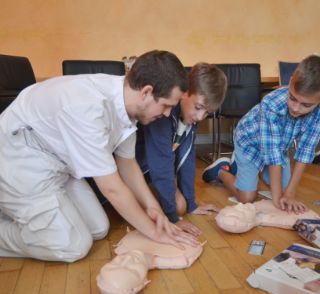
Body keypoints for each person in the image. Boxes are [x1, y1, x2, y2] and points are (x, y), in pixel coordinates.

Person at [0, 50, 200, 262]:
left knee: (98, 228)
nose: (168, 114)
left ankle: (23, 213)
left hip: (57, 166)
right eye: (166, 105)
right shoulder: (88, 108)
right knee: (72, 247)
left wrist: (153, 208)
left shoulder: (125, 101)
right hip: (18, 162)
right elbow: (112, 188)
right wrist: (156, 233)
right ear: (146, 92)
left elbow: (127, 163)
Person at [203, 55, 320, 214]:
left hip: (279, 147)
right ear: (291, 80)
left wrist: (290, 194)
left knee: (286, 190)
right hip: (249, 143)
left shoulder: (317, 114)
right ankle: (221, 170)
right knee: (247, 198)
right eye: (292, 98)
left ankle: (249, 170)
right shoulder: (271, 104)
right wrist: (278, 199)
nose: (296, 108)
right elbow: (272, 153)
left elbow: (305, 152)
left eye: (306, 105)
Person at [136, 63, 227, 235]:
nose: (200, 117)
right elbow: (161, 164)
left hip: (155, 170)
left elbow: (188, 158)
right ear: (184, 93)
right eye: (198, 108)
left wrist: (192, 204)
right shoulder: (163, 113)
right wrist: (173, 218)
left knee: (183, 206)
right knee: (177, 208)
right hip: (139, 170)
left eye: (207, 113)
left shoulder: (190, 115)